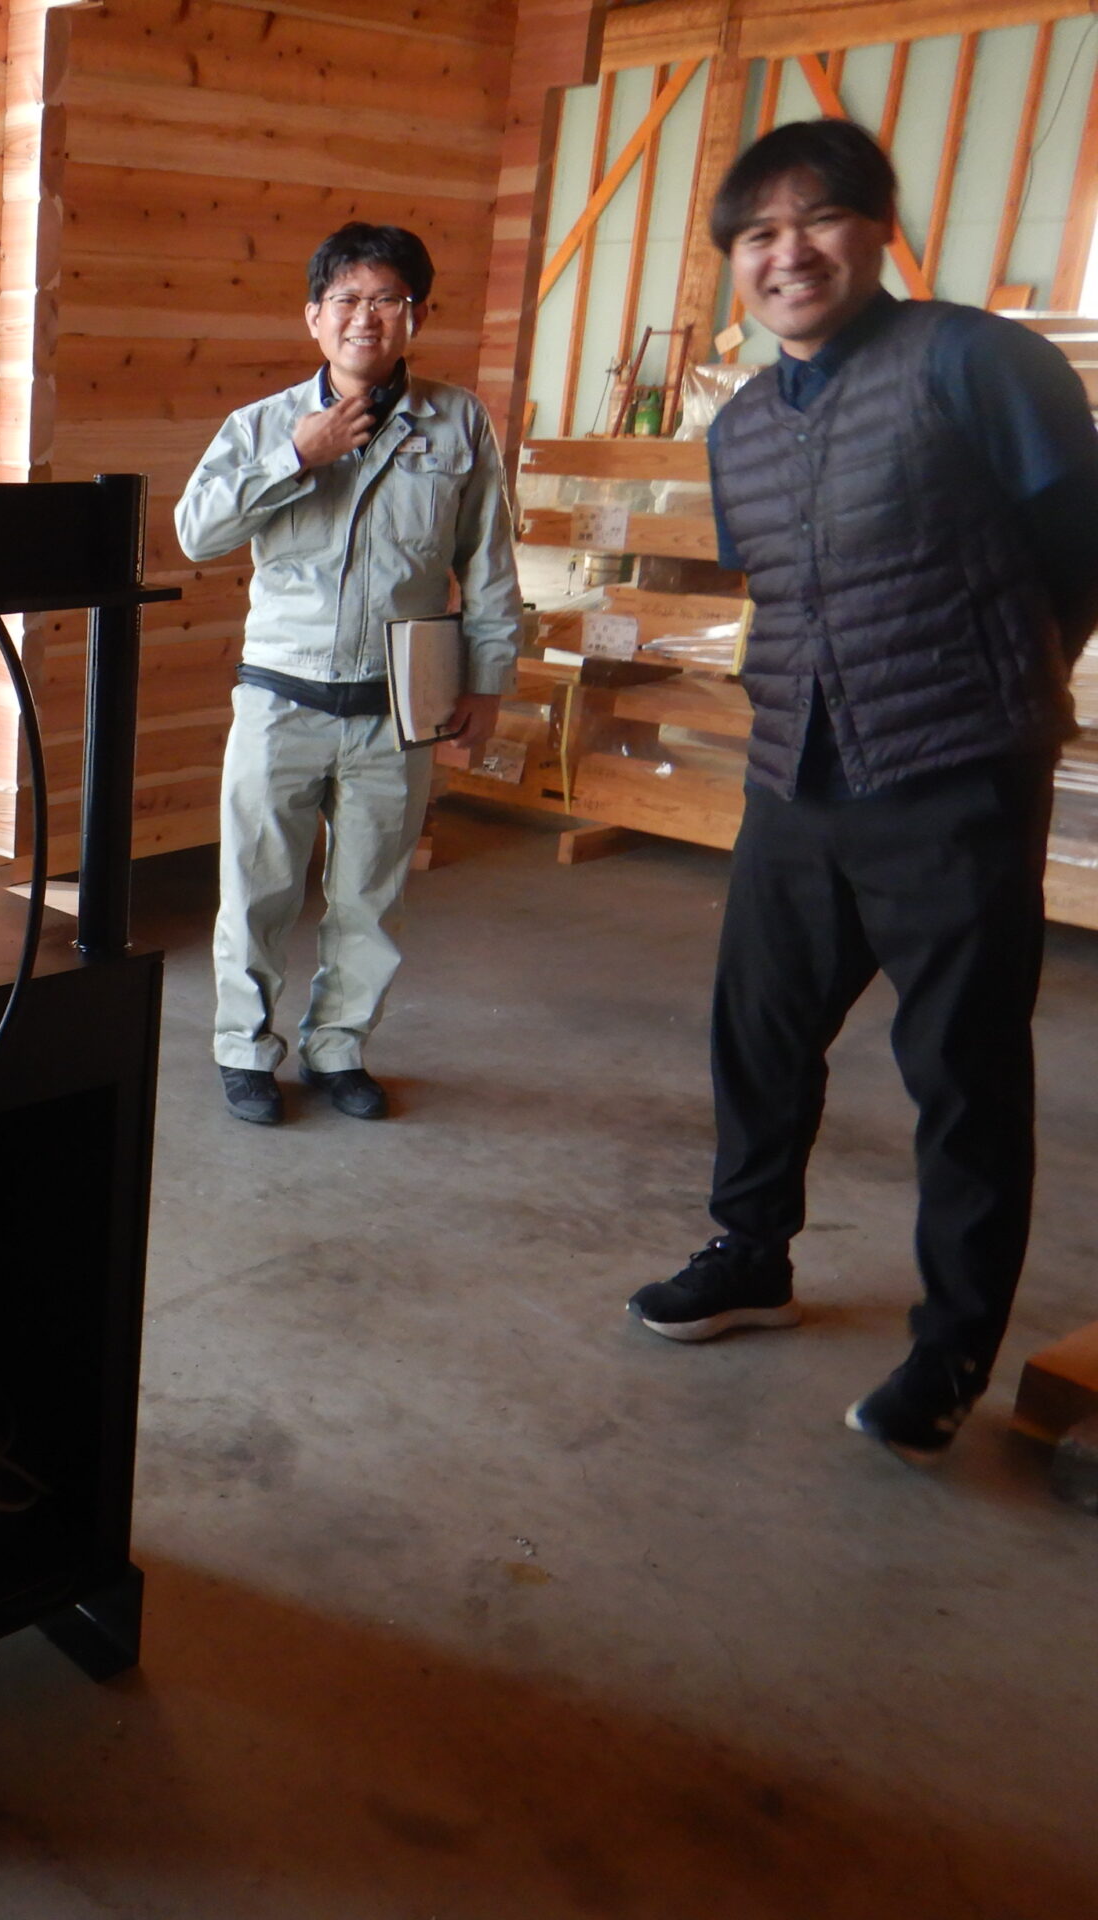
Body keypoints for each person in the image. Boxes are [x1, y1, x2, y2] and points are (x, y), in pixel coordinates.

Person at [625, 120, 1098, 1460]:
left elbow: (1078, 548)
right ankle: (750, 1252)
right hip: (796, 769)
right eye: (757, 233)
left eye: (816, 218)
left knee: (961, 1069)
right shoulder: (740, 428)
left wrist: (997, 691)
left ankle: (951, 1349)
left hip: (954, 774)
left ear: (878, 228)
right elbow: (788, 590)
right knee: (759, 1032)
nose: (788, 253)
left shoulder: (974, 361)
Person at [173, 223, 520, 1127]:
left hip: (395, 706)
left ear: (416, 315)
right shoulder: (263, 426)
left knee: (370, 897)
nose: (367, 317)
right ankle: (245, 1050)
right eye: (348, 300)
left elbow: (489, 565)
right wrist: (298, 455)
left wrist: (486, 683)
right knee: (257, 890)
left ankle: (337, 1048)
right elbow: (196, 532)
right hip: (279, 699)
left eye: (387, 300)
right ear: (314, 318)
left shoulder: (460, 424)